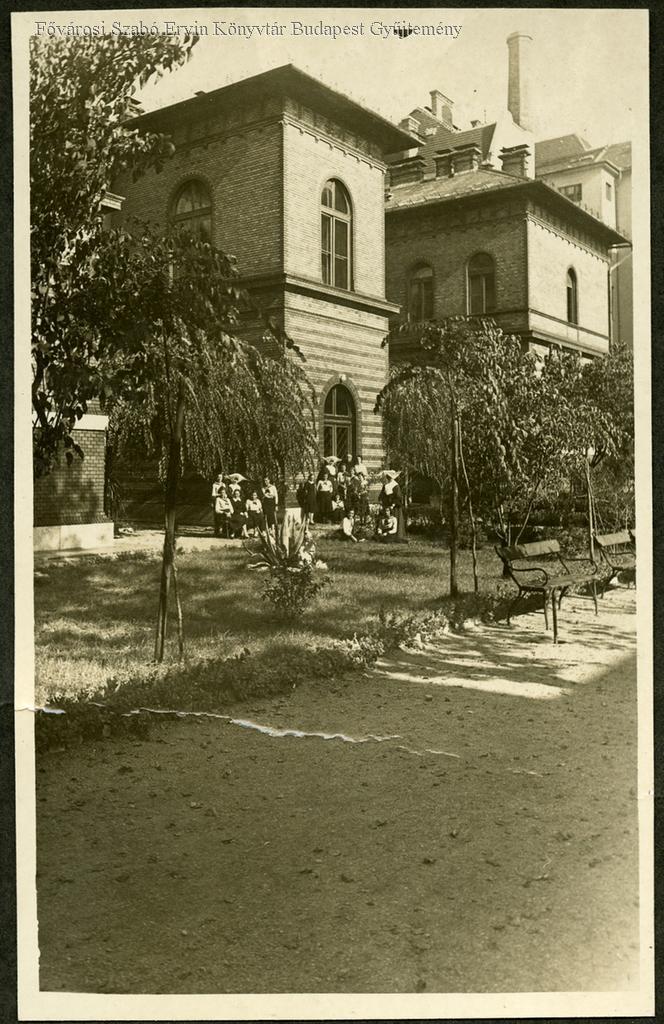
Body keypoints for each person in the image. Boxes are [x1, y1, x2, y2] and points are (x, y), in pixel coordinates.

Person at [379, 471, 407, 542]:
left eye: (390, 477)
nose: (388, 478)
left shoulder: (396, 485)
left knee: (395, 519)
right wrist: (381, 501)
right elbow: (382, 494)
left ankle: (397, 535)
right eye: (387, 477)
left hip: (394, 506)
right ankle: (385, 534)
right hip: (386, 505)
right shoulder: (385, 485)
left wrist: (393, 504)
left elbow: (398, 497)